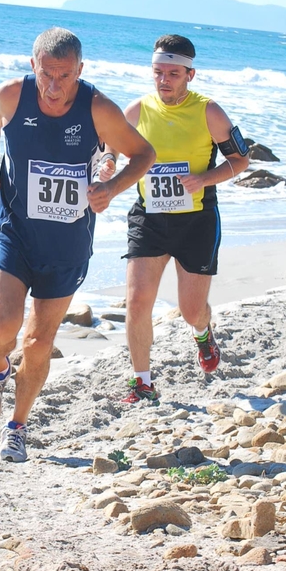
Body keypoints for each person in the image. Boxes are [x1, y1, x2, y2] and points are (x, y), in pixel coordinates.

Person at [0, 26, 156, 461]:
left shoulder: (98, 109)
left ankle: (17, 427)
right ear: (33, 65)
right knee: (1, 326)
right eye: (47, 75)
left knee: (38, 341)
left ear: (81, 70)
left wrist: (113, 188)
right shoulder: (12, 95)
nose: (55, 88)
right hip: (15, 228)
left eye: (66, 76)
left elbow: (144, 154)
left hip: (67, 243)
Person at [99, 34, 250, 404]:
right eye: (157, 72)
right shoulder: (137, 110)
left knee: (191, 310)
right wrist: (109, 161)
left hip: (196, 221)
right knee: (136, 303)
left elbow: (241, 160)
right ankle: (142, 383)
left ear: (190, 75)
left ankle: (203, 334)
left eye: (172, 73)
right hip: (148, 219)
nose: (163, 80)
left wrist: (204, 178)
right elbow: (110, 145)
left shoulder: (209, 112)